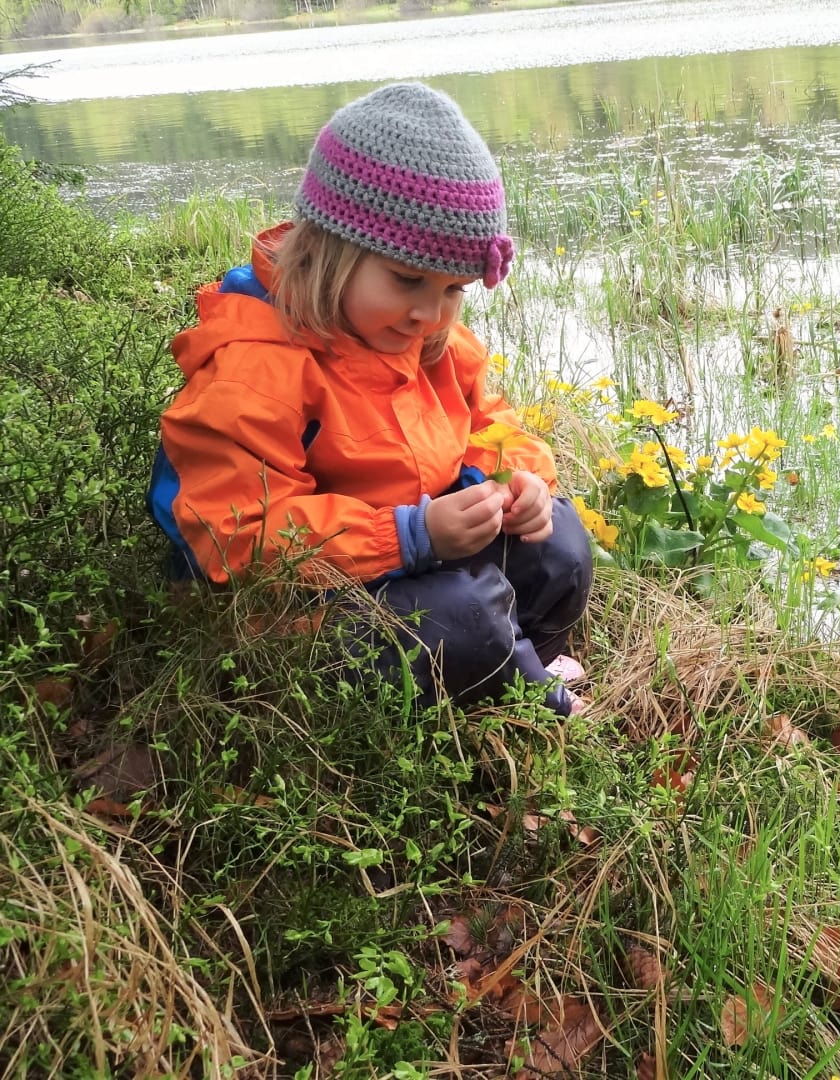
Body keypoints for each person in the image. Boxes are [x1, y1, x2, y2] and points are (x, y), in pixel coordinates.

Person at [147, 82, 593, 717]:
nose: (429, 313)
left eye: (454, 289)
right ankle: (518, 690)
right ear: (328, 251)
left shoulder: (430, 339)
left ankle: (517, 657)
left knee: (560, 545)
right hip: (297, 608)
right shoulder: (256, 368)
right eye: (408, 280)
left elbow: (489, 424)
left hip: (411, 559)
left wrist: (514, 482)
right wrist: (411, 536)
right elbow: (238, 536)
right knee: (461, 616)